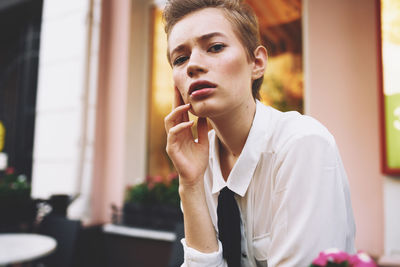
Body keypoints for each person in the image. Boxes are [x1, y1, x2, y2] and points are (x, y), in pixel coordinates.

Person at [163, 0, 356, 266]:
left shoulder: (302, 144)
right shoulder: (199, 162)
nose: (193, 65)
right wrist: (190, 185)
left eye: (215, 47)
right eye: (180, 59)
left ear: (256, 62)